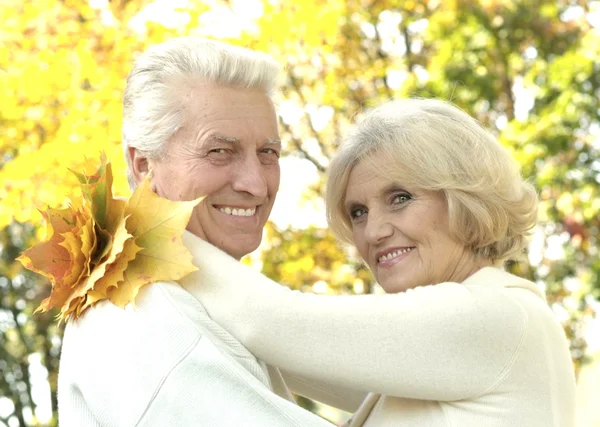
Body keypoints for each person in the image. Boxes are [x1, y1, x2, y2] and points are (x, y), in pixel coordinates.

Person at [181, 98, 577, 426]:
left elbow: (269, 322)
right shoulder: (445, 349)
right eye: (358, 212)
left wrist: (149, 230)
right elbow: (276, 356)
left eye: (400, 198)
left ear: (464, 197)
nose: (373, 232)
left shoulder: (495, 316)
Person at [57, 37, 362, 426]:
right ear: (143, 164)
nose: (256, 184)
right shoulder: (149, 318)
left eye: (268, 152)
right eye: (219, 151)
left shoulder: (201, 299)